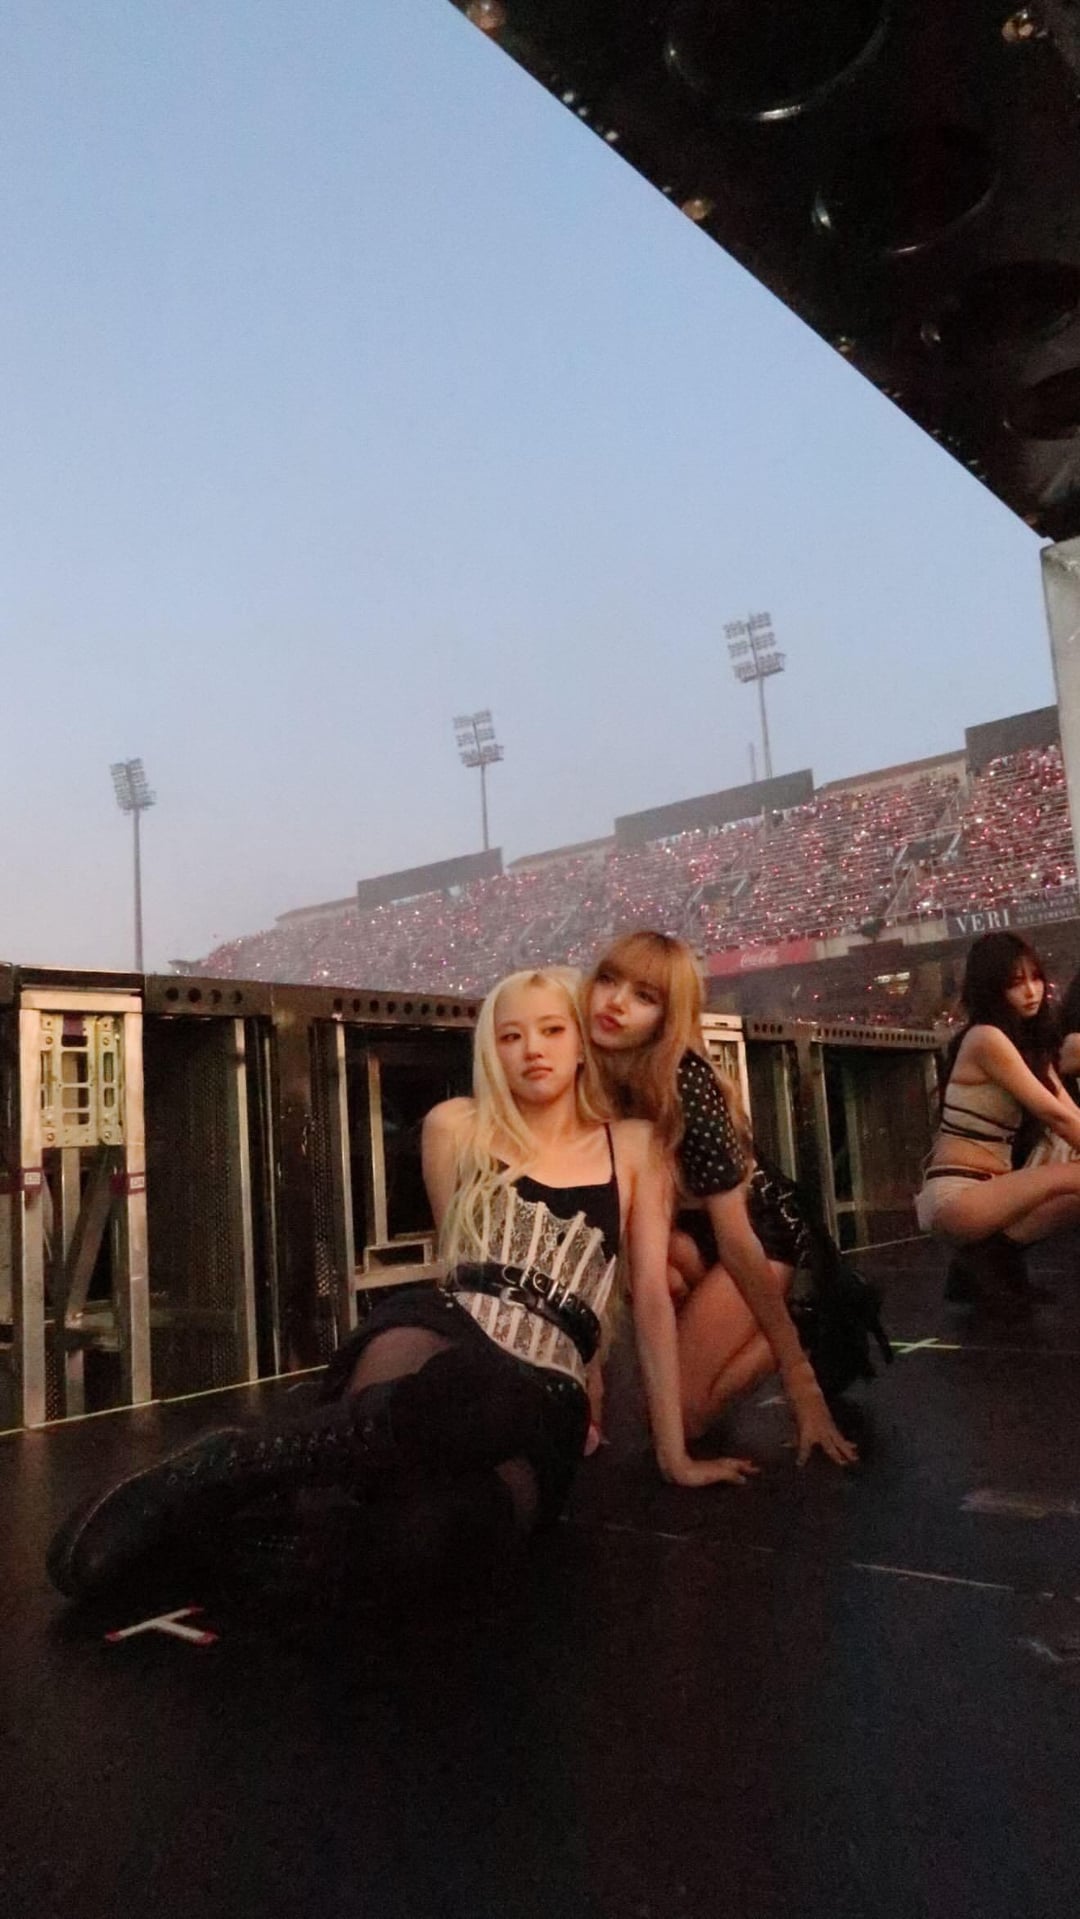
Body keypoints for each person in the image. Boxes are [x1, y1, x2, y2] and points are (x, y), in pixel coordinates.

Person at [47, 966, 754, 1605]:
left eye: (551, 1029)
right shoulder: (456, 1126)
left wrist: (674, 1454)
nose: (531, 1049)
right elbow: (456, 1263)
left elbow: (651, 1300)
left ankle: (217, 1516)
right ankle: (226, 1468)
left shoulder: (634, 1145)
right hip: (444, 1329)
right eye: (510, 1035)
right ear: (491, 1050)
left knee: (432, 1532)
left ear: (580, 1044)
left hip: (545, 1383)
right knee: (465, 1391)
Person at [581, 929, 859, 1468]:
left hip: (758, 1234)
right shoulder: (587, 1070)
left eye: (644, 996)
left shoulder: (684, 1083)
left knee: (683, 1418)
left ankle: (800, 1327)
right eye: (609, 980)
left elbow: (737, 1239)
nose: (616, 1003)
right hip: (687, 1237)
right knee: (647, 1273)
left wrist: (800, 1380)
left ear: (666, 1017)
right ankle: (714, 1330)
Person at [915, 930, 1080, 1304]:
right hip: (957, 1198)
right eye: (1015, 983)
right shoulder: (985, 1038)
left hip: (996, 1191)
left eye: (1036, 978)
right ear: (991, 988)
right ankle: (983, 1263)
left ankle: (988, 1264)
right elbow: (1055, 1116)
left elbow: (1071, 1113)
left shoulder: (1028, 1047)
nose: (1031, 991)